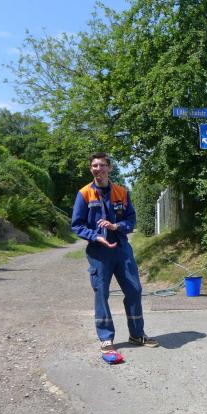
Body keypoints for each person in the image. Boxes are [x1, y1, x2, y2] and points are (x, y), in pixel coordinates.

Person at [71, 153, 158, 358]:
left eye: (102, 165)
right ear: (91, 169)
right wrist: (95, 236)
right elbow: (77, 225)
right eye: (94, 165)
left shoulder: (122, 192)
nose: (98, 169)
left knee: (134, 290)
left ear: (109, 168)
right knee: (101, 294)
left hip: (121, 248)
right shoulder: (84, 194)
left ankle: (137, 334)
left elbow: (131, 220)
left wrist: (116, 226)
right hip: (98, 252)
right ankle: (106, 338)